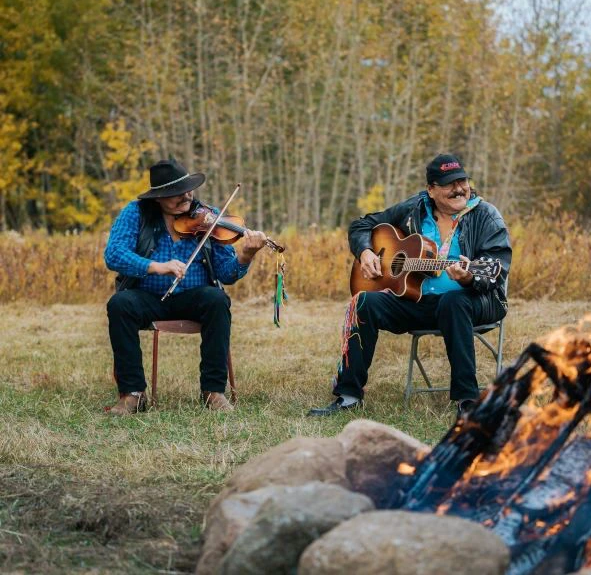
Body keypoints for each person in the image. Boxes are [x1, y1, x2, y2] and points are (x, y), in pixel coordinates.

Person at [308, 153, 512, 417]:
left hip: (473, 301)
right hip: (416, 301)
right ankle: (349, 395)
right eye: (449, 184)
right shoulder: (415, 208)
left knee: (454, 301)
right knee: (364, 302)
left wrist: (470, 277)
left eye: (462, 181)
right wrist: (366, 253)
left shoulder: (485, 214)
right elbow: (361, 225)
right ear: (431, 190)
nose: (459, 188)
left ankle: (467, 401)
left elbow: (497, 265)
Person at [104, 157, 269, 415]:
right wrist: (156, 266)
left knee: (217, 299)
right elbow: (113, 254)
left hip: (193, 297)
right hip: (147, 296)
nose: (186, 197)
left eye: (188, 190)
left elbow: (227, 274)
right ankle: (132, 394)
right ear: (157, 197)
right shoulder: (135, 213)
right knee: (119, 304)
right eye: (175, 194)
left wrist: (246, 255)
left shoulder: (209, 217)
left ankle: (213, 391)